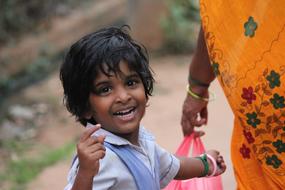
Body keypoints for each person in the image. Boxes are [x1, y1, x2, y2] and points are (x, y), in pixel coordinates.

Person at [60, 25, 226, 190]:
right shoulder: (100, 158)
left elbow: (172, 165)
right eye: (105, 89)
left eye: (131, 83)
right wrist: (85, 173)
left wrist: (206, 164)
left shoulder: (141, 142)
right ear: (84, 107)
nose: (124, 97)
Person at [181, 1, 285, 189]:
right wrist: (197, 87)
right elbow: (217, 17)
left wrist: (197, 87)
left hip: (261, 105)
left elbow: (218, 16)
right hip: (261, 119)